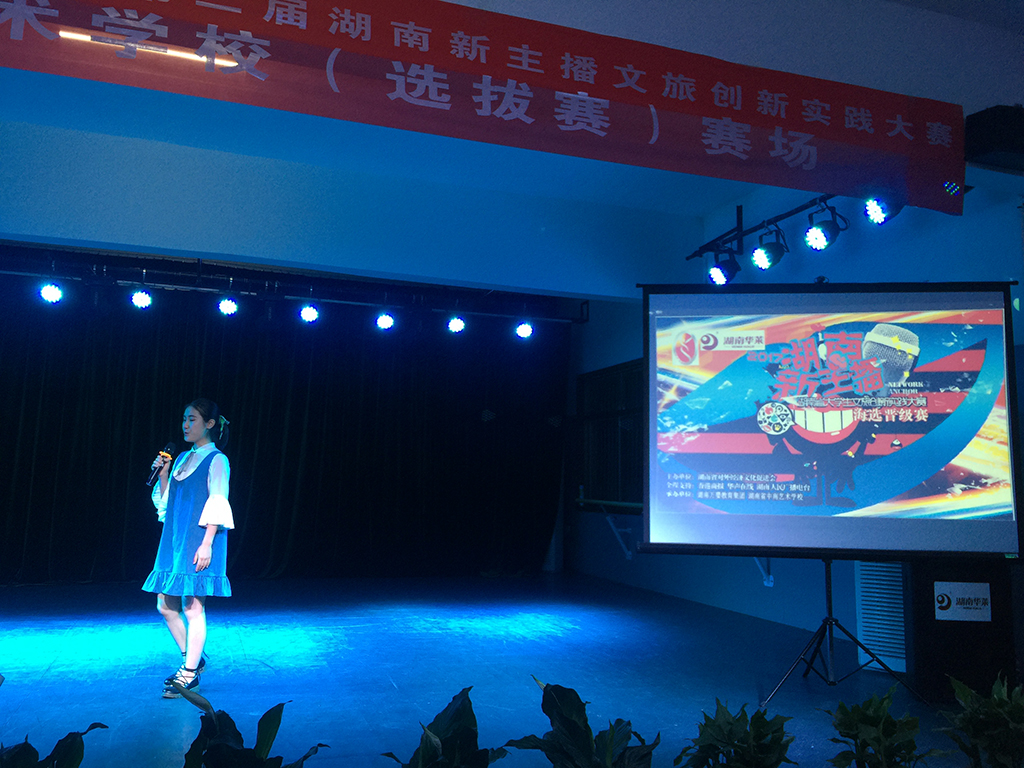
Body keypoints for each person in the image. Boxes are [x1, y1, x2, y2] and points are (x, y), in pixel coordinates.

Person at [142, 398, 234, 699]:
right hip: (175, 539)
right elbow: (169, 503)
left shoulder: (217, 460)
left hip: (199, 539)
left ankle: (190, 673)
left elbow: (218, 500)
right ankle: (193, 658)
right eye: (184, 418)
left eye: (192, 419)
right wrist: (164, 473)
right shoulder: (182, 458)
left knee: (193, 606)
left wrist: (207, 544)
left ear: (209, 424)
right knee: (164, 604)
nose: (185, 424)